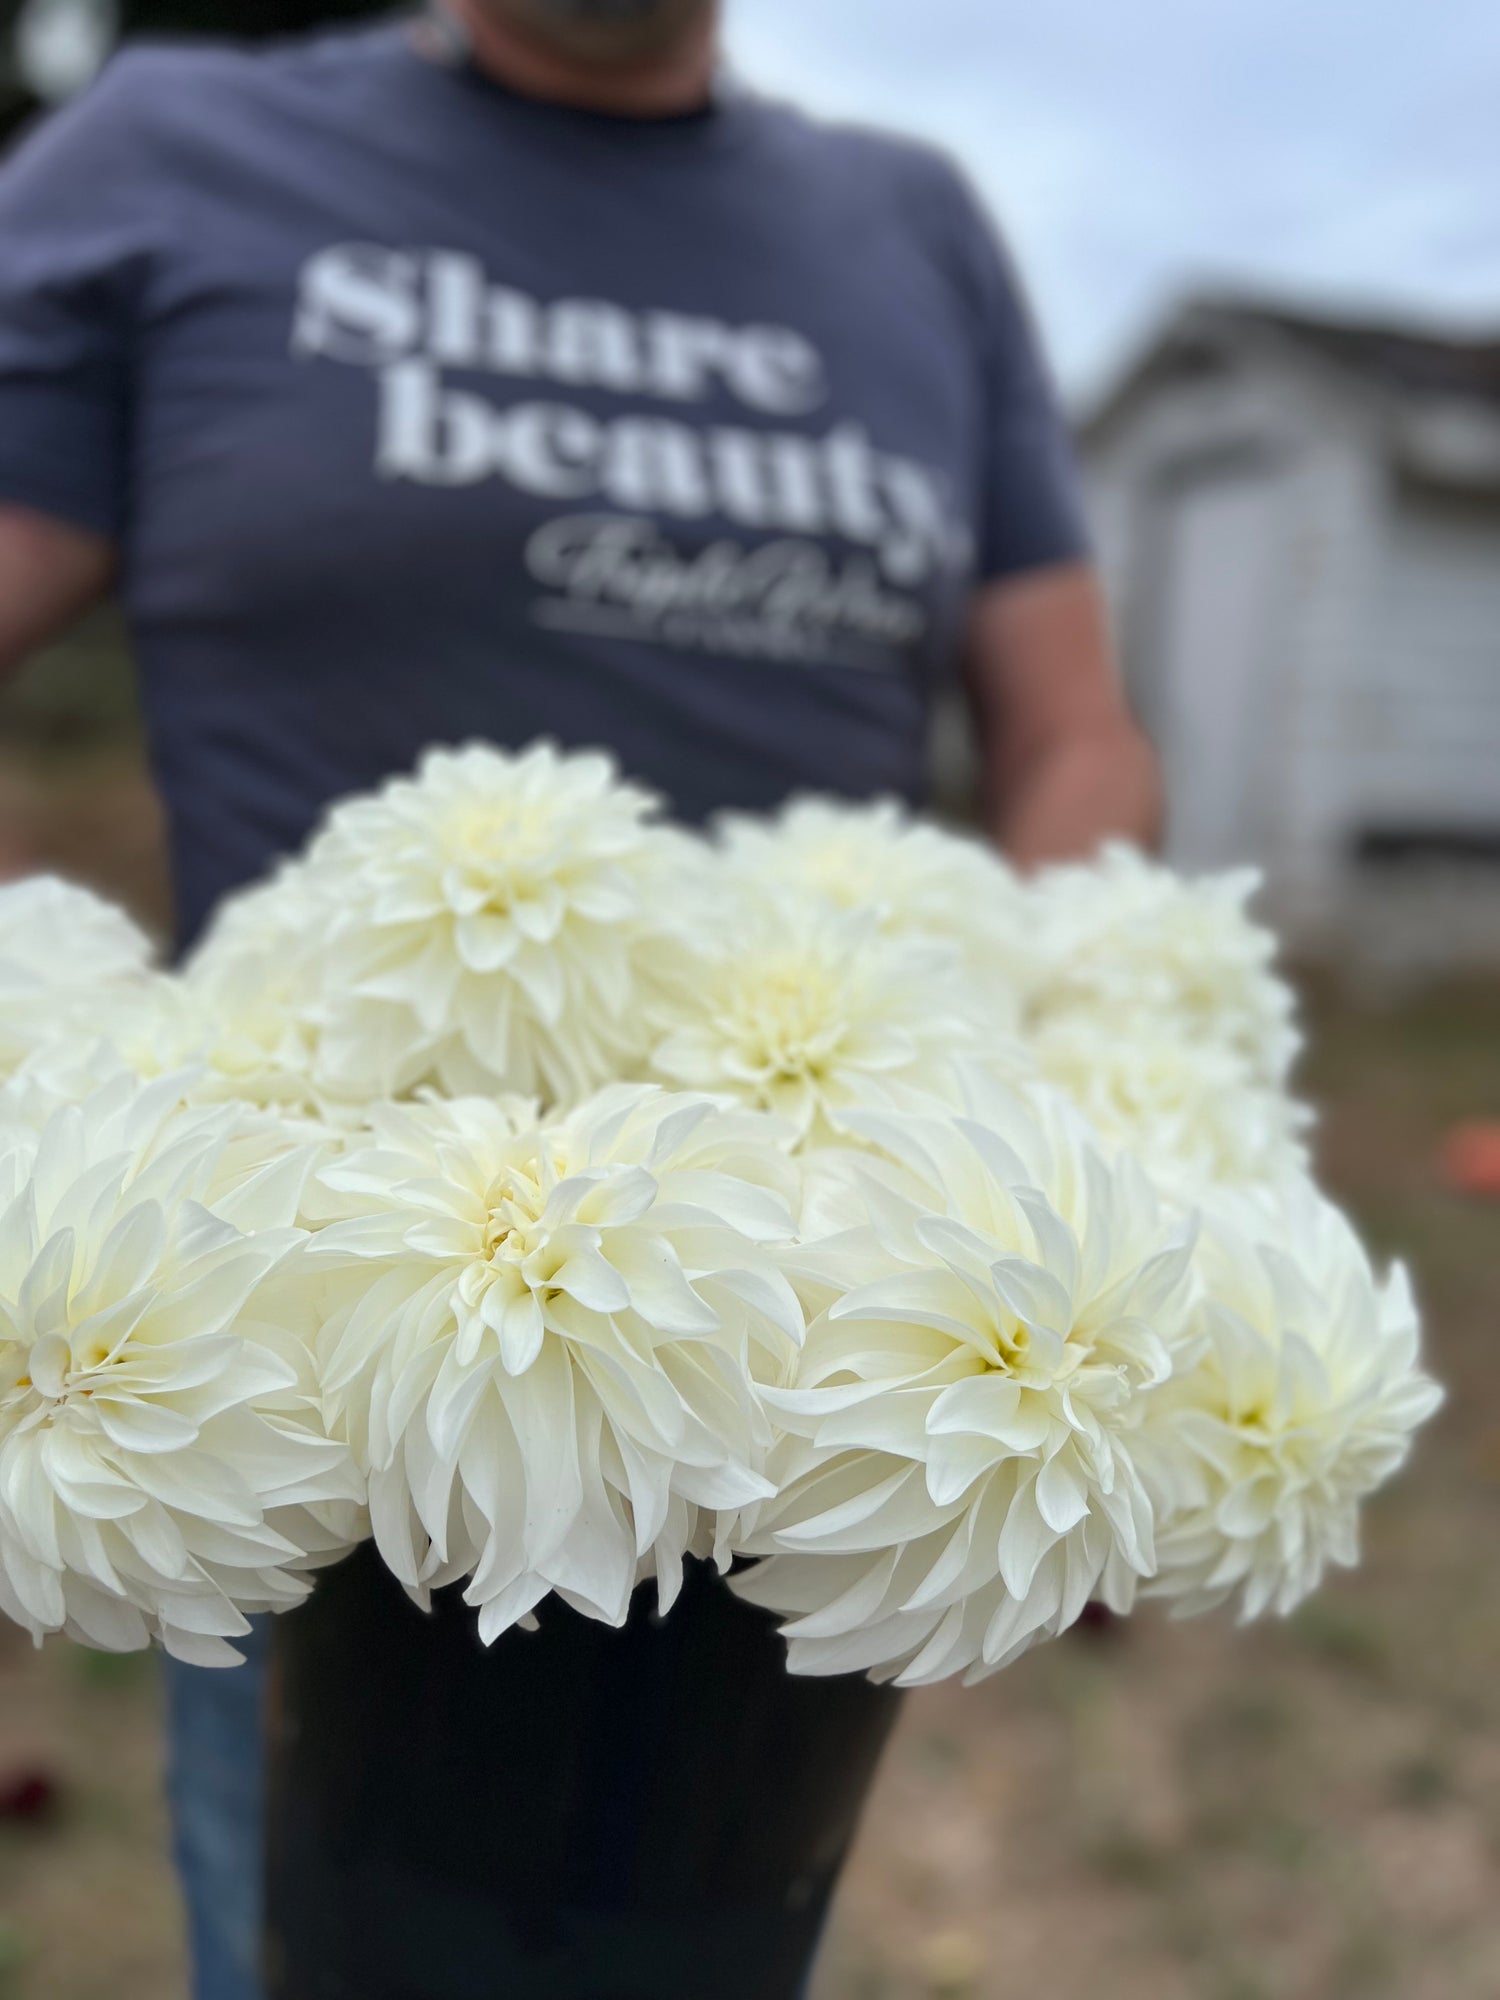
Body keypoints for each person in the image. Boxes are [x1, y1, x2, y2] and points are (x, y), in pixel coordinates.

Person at [0, 0, 1160, 1992]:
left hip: (816, 1357)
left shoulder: (916, 229)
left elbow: (1072, 740)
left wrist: (1106, 1095)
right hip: (339, 1357)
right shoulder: (166, 150)